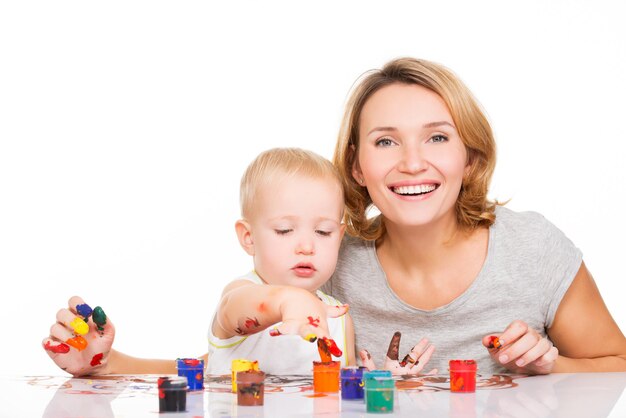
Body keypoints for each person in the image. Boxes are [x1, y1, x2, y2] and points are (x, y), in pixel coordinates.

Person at [325, 57, 626, 374]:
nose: (412, 163)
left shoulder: (533, 248)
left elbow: (620, 366)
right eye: (385, 141)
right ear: (356, 165)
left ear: (469, 157)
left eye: (437, 137)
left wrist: (549, 368)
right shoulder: (327, 262)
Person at [42, 148, 432, 376]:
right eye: (284, 231)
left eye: (324, 232)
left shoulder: (337, 314)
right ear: (248, 237)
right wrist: (287, 302)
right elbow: (247, 309)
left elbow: (333, 390)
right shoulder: (241, 296)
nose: (306, 246)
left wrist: (381, 381)